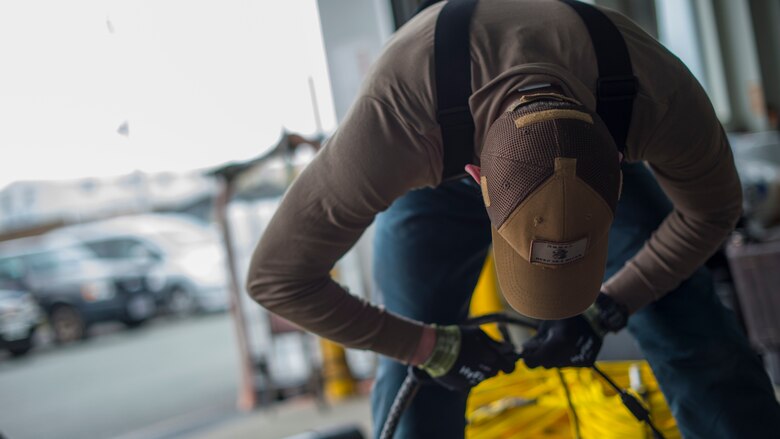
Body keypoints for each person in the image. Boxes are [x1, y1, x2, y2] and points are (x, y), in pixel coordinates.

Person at [246, 1, 780, 438]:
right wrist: (430, 347)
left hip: (591, 129)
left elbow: (713, 212)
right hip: (436, 159)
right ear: (477, 178)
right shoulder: (394, 126)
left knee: (685, 318)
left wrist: (613, 304)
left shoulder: (658, 97)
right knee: (417, 363)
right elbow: (276, 278)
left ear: (619, 172)